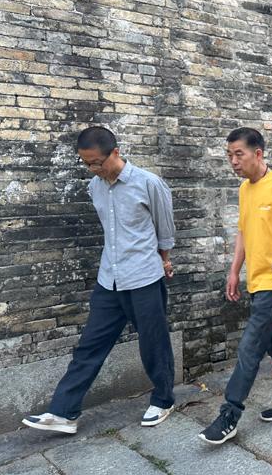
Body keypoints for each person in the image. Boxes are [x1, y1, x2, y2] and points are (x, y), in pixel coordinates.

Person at [23, 126, 177, 434]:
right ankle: (64, 412)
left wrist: (164, 259)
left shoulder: (148, 183)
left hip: (144, 277)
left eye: (97, 162)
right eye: (86, 163)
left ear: (115, 153)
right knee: (89, 346)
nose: (93, 169)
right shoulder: (95, 187)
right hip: (110, 280)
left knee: (154, 344)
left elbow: (165, 230)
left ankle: (163, 400)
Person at [198, 127, 272, 445]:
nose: (233, 161)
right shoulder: (245, 189)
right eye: (229, 155)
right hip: (257, 280)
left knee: (249, 347)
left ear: (258, 154)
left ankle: (230, 414)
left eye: (239, 154)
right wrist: (234, 272)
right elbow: (244, 234)